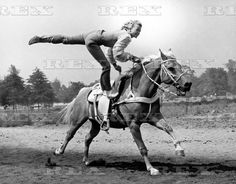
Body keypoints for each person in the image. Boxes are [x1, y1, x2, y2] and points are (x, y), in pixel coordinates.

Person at [28, 20, 142, 130]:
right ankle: (107, 90)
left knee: (65, 39)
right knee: (105, 66)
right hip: (93, 40)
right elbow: (118, 53)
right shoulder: (126, 37)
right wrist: (133, 58)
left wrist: (114, 64)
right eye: (137, 29)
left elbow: (109, 51)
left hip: (92, 33)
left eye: (140, 31)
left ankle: (41, 38)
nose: (138, 33)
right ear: (130, 28)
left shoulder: (120, 33)